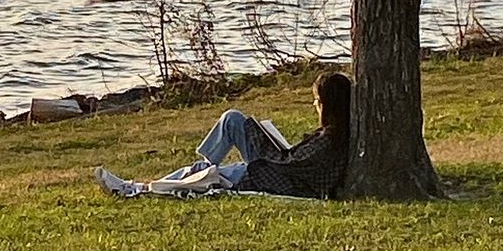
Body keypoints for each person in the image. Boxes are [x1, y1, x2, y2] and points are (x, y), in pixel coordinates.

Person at [94, 70, 352, 200]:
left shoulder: (329, 141)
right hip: (275, 173)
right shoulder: (332, 137)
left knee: (228, 128)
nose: (315, 106)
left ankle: (133, 190)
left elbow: (288, 165)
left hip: (271, 176)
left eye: (317, 101)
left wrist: (267, 146)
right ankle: (138, 187)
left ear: (329, 105)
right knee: (202, 169)